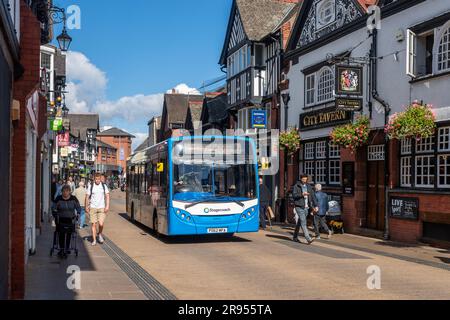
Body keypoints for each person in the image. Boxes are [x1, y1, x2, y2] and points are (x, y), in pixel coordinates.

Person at [53, 185, 82, 256]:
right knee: (61, 234)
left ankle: (67, 248)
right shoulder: (58, 198)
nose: (65, 193)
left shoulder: (73, 198)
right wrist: (55, 214)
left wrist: (78, 213)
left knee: (69, 233)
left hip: (70, 219)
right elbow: (54, 208)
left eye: (67, 191)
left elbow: (78, 207)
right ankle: (62, 248)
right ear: (62, 192)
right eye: (64, 191)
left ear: (69, 192)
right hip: (60, 219)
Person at [292, 175, 318, 245]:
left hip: (306, 207)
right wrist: (302, 194)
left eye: (305, 179)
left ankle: (295, 237)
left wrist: (316, 206)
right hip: (299, 206)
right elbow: (294, 195)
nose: (304, 180)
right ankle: (308, 238)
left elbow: (313, 196)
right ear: (300, 179)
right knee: (303, 222)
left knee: (299, 222)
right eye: (303, 179)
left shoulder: (309, 186)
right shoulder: (296, 186)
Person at [86, 173, 110, 246]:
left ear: (100, 179)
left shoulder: (103, 186)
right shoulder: (91, 186)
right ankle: (94, 240)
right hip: (93, 207)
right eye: (96, 179)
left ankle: (99, 234)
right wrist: (86, 206)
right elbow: (87, 196)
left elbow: (107, 195)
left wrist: (107, 206)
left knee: (101, 223)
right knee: (93, 224)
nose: (97, 180)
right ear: (94, 179)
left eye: (98, 179)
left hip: (101, 207)